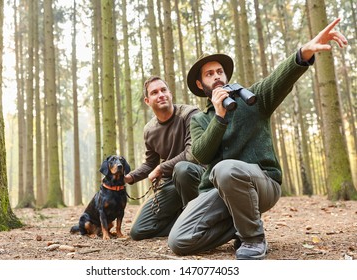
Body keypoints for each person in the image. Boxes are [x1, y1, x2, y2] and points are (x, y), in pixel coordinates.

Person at [168, 18, 348, 259]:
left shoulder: (254, 98)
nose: (217, 76)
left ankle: (253, 238)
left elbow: (279, 78)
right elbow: (200, 154)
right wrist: (219, 117)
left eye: (220, 71)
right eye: (210, 74)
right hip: (218, 192)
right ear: (201, 85)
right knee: (179, 240)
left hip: (262, 184)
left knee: (225, 169)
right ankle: (241, 225)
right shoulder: (200, 119)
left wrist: (302, 54)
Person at [125, 75, 204, 240]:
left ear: (170, 94)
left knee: (182, 170)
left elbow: (192, 154)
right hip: (171, 185)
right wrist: (129, 177)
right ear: (147, 101)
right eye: (154, 92)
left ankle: (197, 222)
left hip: (197, 177)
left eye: (163, 90)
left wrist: (161, 168)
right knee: (138, 231)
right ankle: (182, 222)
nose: (160, 94)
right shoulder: (149, 130)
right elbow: (150, 164)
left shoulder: (190, 114)